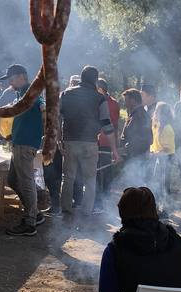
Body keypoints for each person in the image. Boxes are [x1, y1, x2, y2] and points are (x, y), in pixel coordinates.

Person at [58, 65, 114, 217]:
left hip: (69, 141)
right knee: (90, 178)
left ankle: (66, 208)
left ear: (81, 77)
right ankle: (86, 211)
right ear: (95, 80)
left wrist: (58, 139)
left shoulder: (66, 94)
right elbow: (107, 125)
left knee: (68, 177)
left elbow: (56, 118)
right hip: (89, 143)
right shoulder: (99, 98)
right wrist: (114, 150)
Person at [0, 64, 45, 236]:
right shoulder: (20, 93)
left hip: (26, 143)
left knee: (26, 181)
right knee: (13, 180)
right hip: (19, 142)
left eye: (11, 78)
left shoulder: (31, 92)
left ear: (21, 77)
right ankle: (36, 213)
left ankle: (30, 221)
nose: (9, 82)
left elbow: (42, 106)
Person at [95, 78, 120, 206]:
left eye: (96, 88)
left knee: (105, 169)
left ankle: (105, 195)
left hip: (106, 142)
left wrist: (115, 143)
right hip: (95, 141)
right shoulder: (95, 99)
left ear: (101, 89)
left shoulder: (112, 104)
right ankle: (98, 197)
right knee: (97, 170)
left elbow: (114, 125)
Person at [119, 88, 152, 186]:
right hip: (135, 155)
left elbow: (147, 138)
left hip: (137, 157)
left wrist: (128, 145)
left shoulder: (139, 115)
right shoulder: (137, 114)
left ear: (133, 101)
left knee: (136, 184)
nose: (125, 103)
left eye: (127, 100)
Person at [150, 103, 176, 210]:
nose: (155, 112)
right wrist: (152, 151)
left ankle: (166, 209)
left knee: (165, 184)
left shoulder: (168, 128)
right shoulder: (156, 124)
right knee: (157, 181)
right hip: (159, 157)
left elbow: (167, 148)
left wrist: (155, 154)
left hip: (167, 157)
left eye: (157, 110)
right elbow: (155, 142)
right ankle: (157, 206)